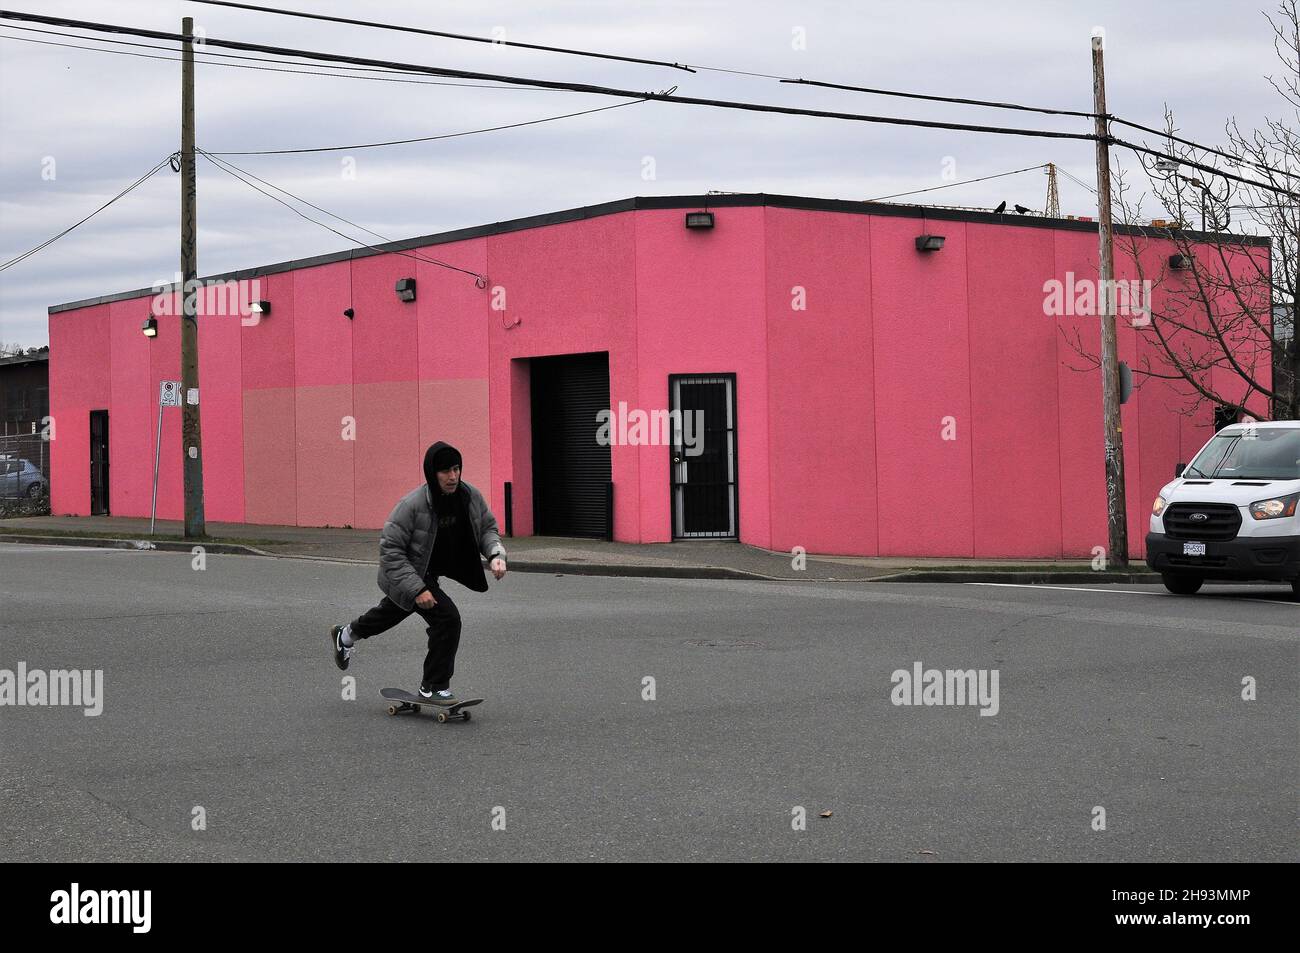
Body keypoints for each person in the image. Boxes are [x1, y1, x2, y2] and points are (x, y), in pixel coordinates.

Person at [330, 441, 507, 701]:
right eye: (445, 471)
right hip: (409, 574)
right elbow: (390, 552)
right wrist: (418, 588)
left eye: (456, 469)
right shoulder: (412, 505)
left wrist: (495, 554)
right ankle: (433, 687)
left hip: (430, 572)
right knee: (447, 620)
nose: (453, 476)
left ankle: (345, 635)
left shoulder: (469, 497)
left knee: (390, 613)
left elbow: (487, 528)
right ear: (432, 474)